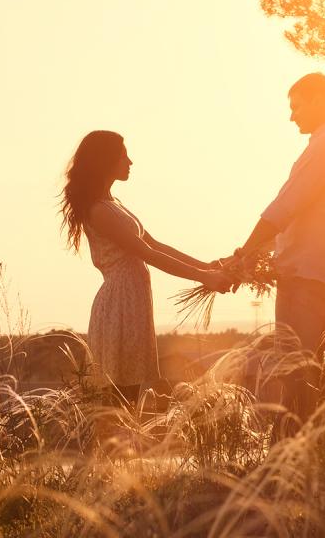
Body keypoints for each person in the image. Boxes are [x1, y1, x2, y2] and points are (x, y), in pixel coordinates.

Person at [224, 72, 325, 429]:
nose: (292, 116)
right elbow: (297, 213)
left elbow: (285, 206)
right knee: (313, 372)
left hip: (307, 277)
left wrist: (245, 252)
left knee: (297, 373)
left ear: (320, 100)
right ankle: (313, 455)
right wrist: (253, 256)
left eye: (296, 106)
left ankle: (292, 459)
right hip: (318, 274)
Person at [61, 130, 232, 405]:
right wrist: (204, 277)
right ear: (106, 161)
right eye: (123, 155)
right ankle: (111, 446)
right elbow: (148, 254)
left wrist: (207, 267)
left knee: (129, 392)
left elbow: (156, 245)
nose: (130, 161)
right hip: (120, 305)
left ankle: (119, 445)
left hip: (132, 303)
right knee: (117, 396)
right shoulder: (99, 210)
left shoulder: (113, 204)